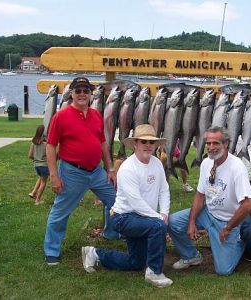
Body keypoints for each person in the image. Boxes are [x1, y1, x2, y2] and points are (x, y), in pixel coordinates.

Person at [81, 124, 173, 287]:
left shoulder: (157, 163)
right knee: (158, 226)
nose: (148, 145)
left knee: (136, 262)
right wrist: (160, 219)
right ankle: (154, 272)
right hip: (123, 218)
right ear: (135, 144)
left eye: (151, 142)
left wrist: (164, 213)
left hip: (143, 218)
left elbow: (164, 190)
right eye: (143, 141)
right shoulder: (128, 168)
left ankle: (95, 254)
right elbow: (136, 202)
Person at [43, 77, 118, 266]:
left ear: (91, 94)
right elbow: (50, 146)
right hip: (72, 172)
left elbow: (102, 143)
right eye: (78, 90)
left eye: (86, 90)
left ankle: (111, 233)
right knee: (60, 212)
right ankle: (51, 250)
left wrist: (109, 168)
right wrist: (54, 176)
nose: (82, 93)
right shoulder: (61, 116)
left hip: (97, 172)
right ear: (72, 94)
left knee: (118, 201)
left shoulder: (96, 115)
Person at [168, 126, 251, 276]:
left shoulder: (237, 167)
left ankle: (240, 243)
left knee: (223, 270)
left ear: (226, 144)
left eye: (216, 143)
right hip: (208, 213)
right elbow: (200, 195)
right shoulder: (206, 163)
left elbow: (248, 204)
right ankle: (191, 256)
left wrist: (227, 228)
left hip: (228, 221)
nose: (211, 147)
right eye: (208, 143)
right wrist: (192, 222)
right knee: (173, 221)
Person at [28, 124, 49, 205]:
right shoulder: (45, 144)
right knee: (44, 182)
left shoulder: (33, 143)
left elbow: (30, 156)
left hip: (36, 165)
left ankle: (33, 192)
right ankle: (38, 200)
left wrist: (37, 159)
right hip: (44, 165)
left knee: (40, 178)